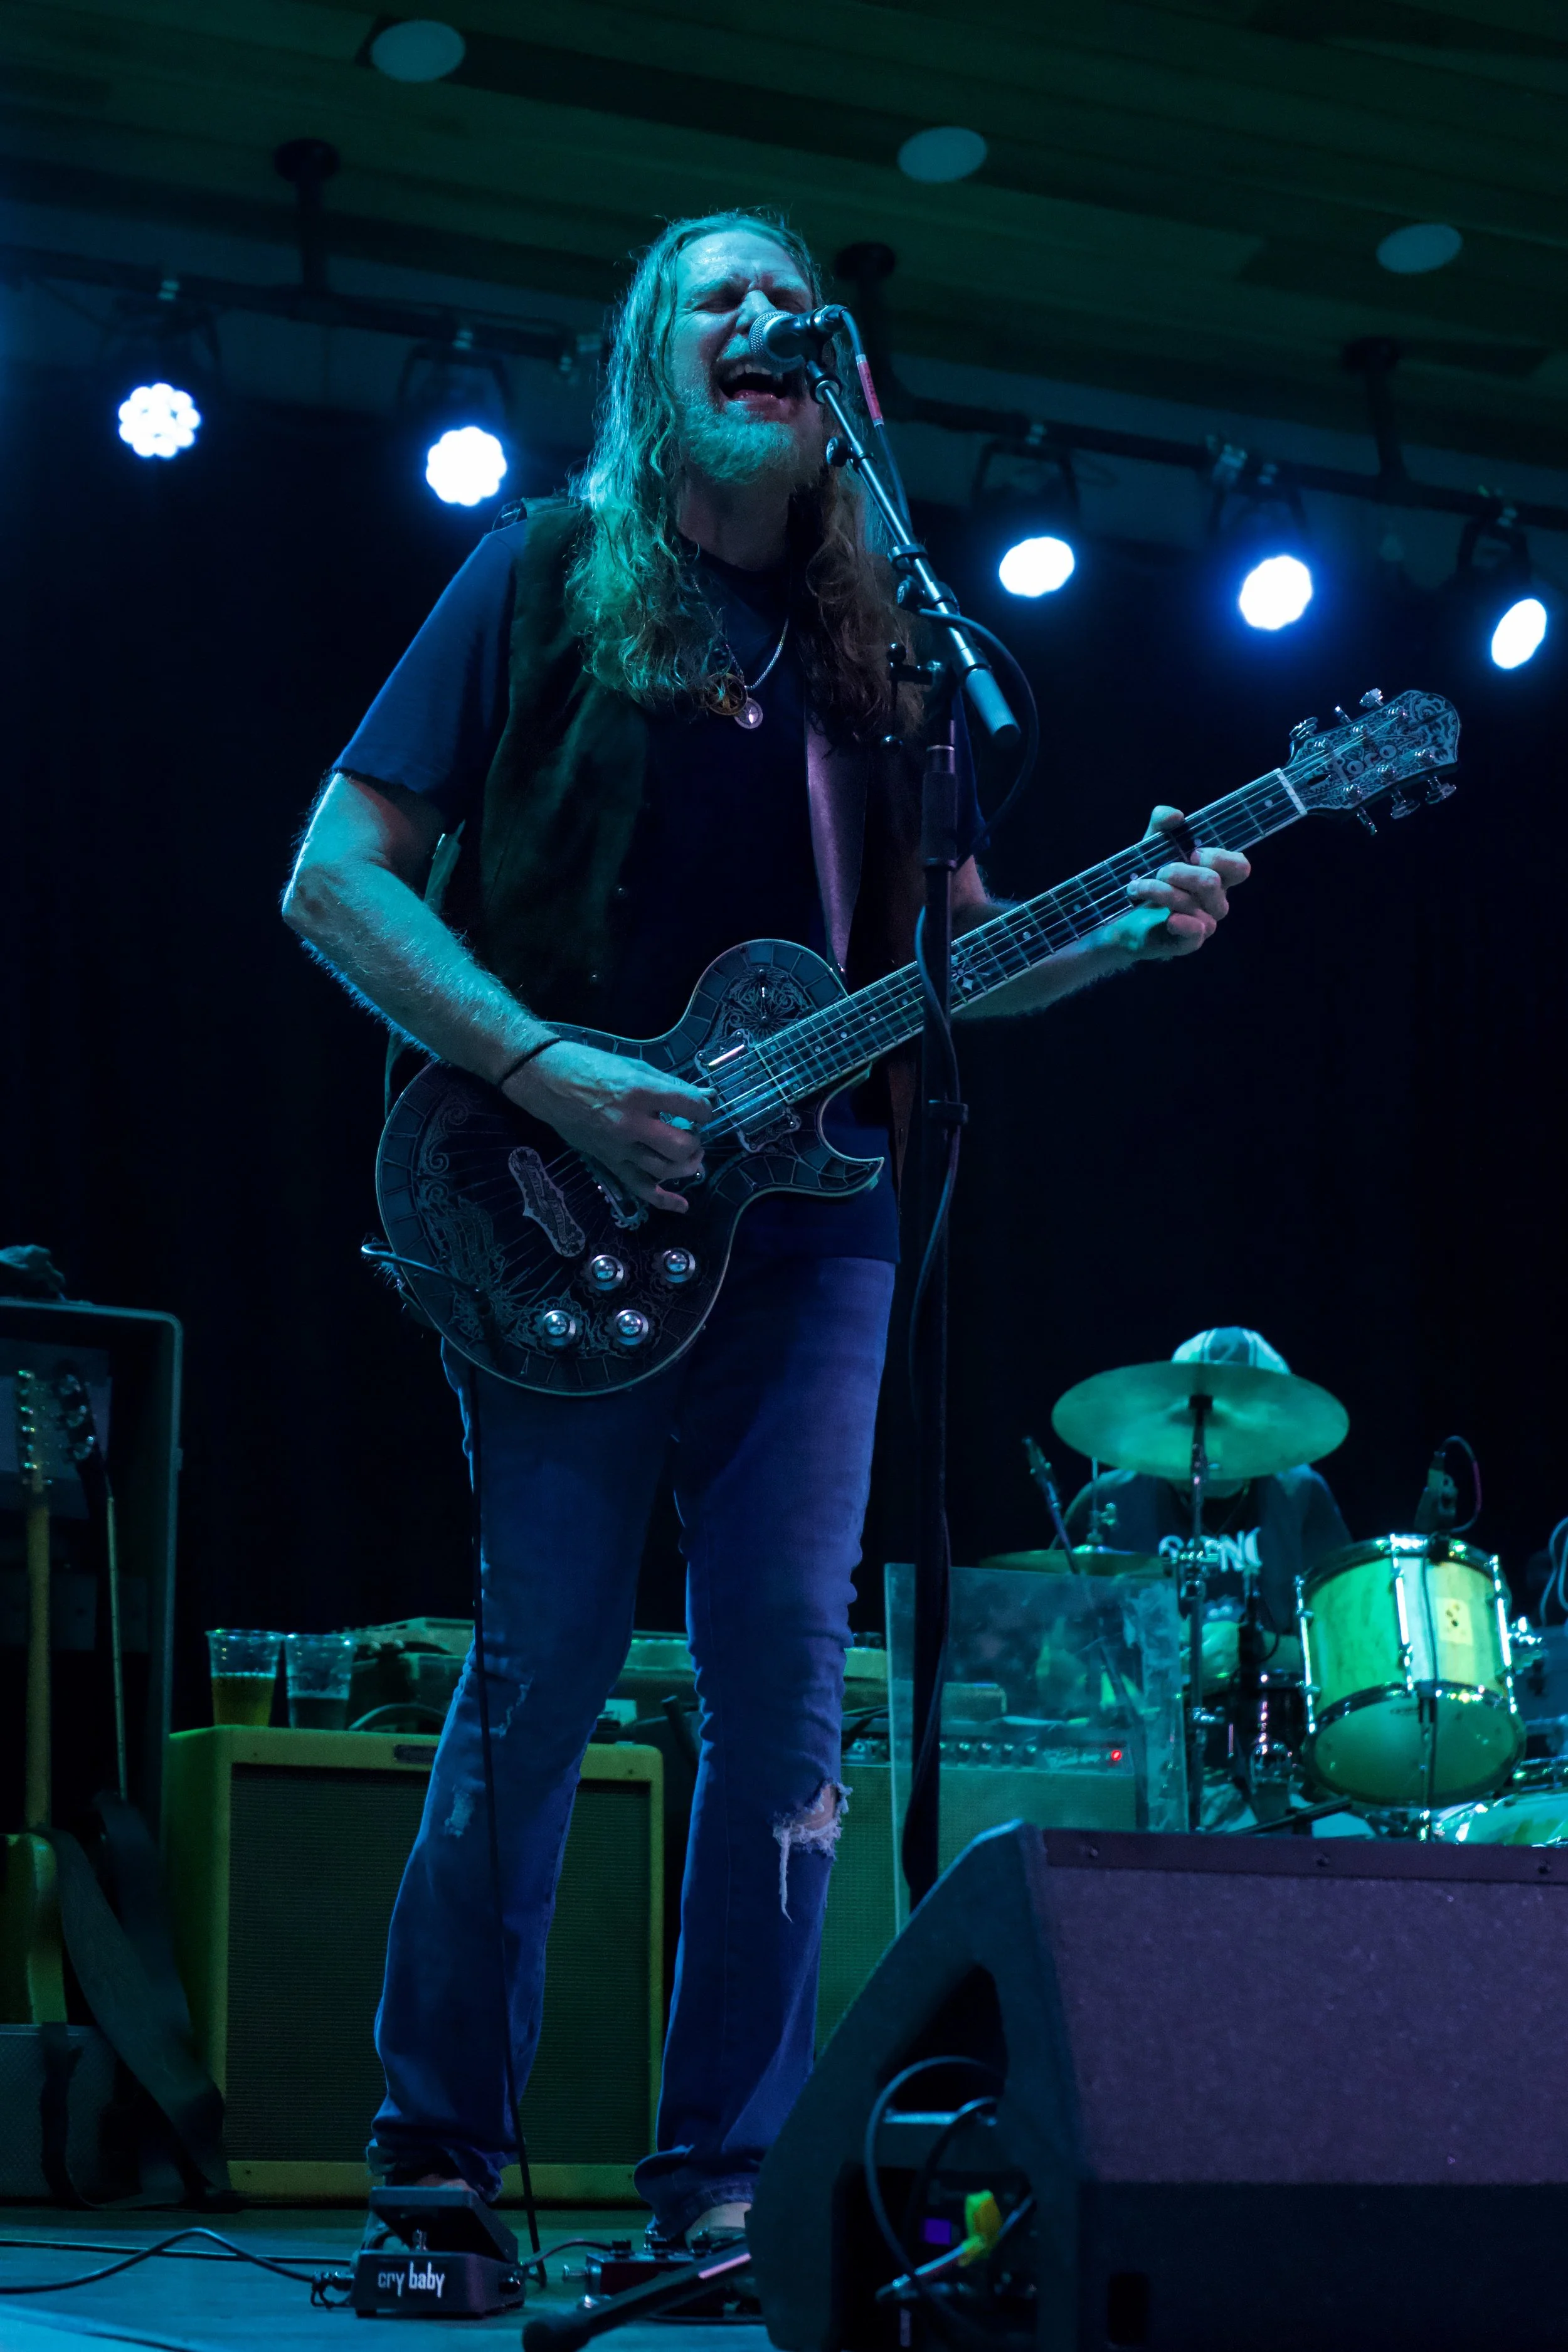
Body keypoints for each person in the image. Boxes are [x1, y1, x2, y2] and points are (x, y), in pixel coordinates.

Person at [281, 207, 1250, 2246]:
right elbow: (335, 881)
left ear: (839, 402)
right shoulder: (536, 573)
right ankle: (438, 2168)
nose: (761, 321)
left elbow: (956, 963)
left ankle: (730, 2181)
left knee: (787, 1698)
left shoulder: (892, 662)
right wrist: (550, 1071)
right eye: (714, 297)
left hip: (817, 1239)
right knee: (539, 1680)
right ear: (654, 362)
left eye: (788, 307)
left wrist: (1136, 925)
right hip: (549, 1210)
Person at [1064, 1326, 1350, 1660]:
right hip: (1144, 1708)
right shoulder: (1108, 1501)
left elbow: (1341, 1648)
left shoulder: (1301, 1493)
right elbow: (1051, 1641)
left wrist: (1250, 1649)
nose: (1205, 1441)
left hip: (1270, 1707)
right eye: (1194, 1422)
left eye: (1226, 1424)